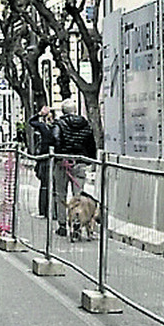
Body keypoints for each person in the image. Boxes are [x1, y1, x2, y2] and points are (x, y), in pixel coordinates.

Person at [53, 98, 97, 236]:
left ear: (63, 111)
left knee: (61, 193)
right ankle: (78, 221)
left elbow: (55, 139)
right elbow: (91, 143)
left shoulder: (59, 124)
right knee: (78, 196)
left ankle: (62, 225)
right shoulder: (86, 124)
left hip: (63, 163)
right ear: (75, 110)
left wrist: (58, 156)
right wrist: (89, 160)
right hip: (80, 162)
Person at [27, 105, 59, 218]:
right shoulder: (57, 127)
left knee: (45, 185)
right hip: (55, 159)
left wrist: (40, 114)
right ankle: (54, 212)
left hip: (45, 159)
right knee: (54, 186)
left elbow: (31, 121)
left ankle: (44, 211)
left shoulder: (43, 127)